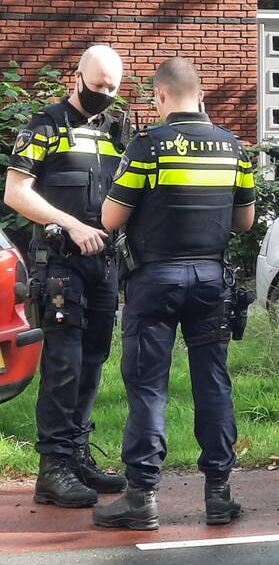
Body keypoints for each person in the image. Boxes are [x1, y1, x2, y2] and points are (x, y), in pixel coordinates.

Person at [92, 57, 256, 531]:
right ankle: (219, 496)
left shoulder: (148, 147)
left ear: (160, 96)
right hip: (211, 281)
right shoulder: (233, 148)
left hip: (154, 281)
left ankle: (141, 499)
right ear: (201, 93)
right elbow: (243, 221)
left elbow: (110, 219)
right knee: (214, 383)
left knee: (149, 388)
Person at [4, 45, 128, 508]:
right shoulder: (45, 126)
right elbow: (16, 193)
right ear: (75, 79)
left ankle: (77, 455)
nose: (105, 95)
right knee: (64, 365)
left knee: (93, 360)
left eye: (112, 88)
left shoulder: (118, 130)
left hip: (104, 265)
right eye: (97, 86)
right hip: (59, 264)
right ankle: (52, 468)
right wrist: (72, 224)